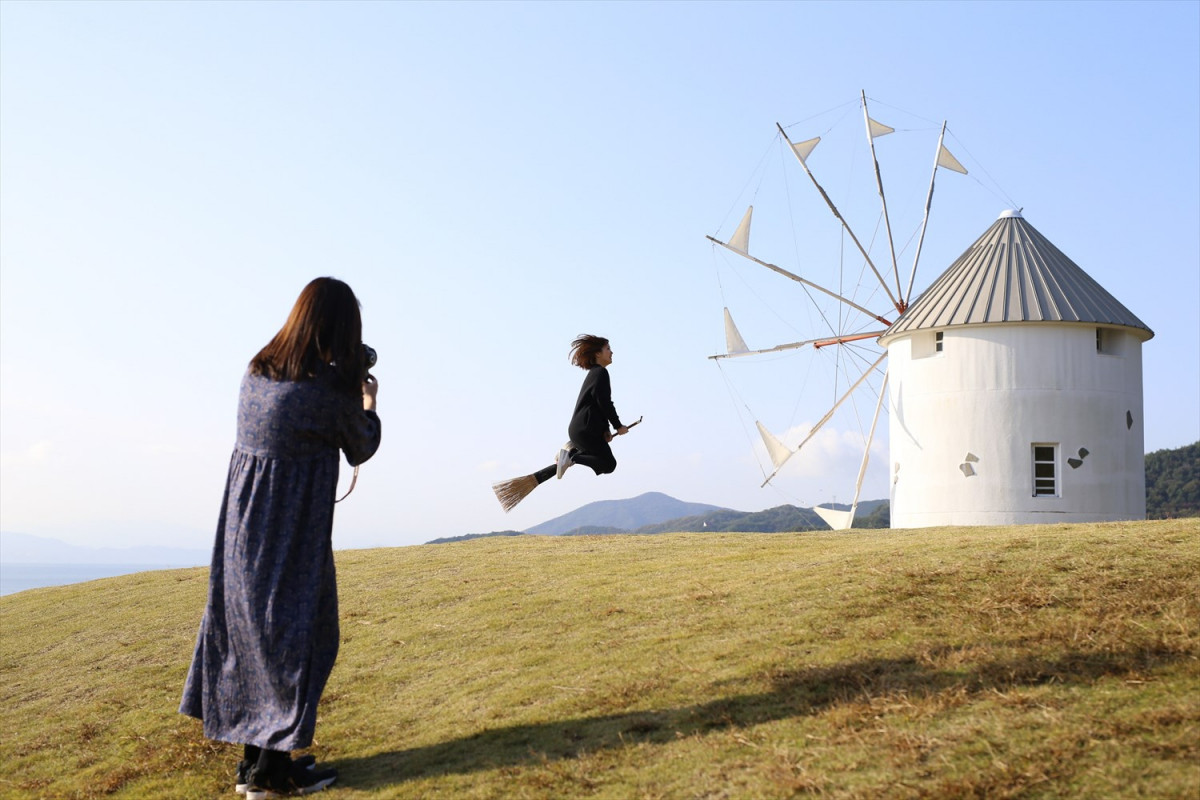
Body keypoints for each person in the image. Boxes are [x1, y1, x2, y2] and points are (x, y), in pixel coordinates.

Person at [180, 277, 381, 798]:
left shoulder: (256, 374)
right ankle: (274, 775)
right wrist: (367, 399)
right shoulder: (326, 394)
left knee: (258, 644)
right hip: (292, 535)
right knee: (303, 639)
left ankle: (257, 768)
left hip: (242, 531)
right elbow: (361, 445)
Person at [535, 334, 629, 486]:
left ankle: (571, 454)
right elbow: (604, 402)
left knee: (607, 463)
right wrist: (618, 426)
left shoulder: (595, 374)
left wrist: (605, 429)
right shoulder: (600, 373)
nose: (612, 352)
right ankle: (571, 456)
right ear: (598, 353)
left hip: (582, 429)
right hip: (586, 429)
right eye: (608, 349)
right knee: (608, 464)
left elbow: (597, 403)